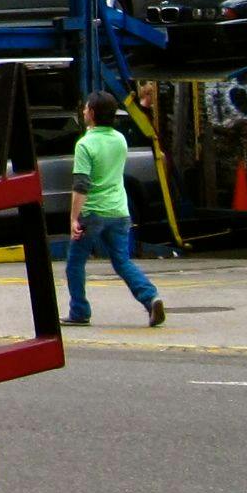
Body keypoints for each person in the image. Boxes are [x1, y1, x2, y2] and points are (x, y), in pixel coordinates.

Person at [65, 91, 165, 329]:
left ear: (92, 114)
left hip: (93, 213)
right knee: (122, 261)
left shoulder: (85, 144)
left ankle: (79, 311)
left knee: (75, 264)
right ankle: (150, 298)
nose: (84, 111)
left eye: (87, 108)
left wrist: (73, 218)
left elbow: (81, 184)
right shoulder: (120, 139)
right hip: (119, 211)